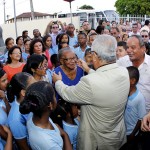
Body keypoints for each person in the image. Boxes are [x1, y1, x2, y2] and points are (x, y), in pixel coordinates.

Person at [53, 35, 130, 150]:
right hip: (117, 136)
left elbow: (67, 94)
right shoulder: (124, 72)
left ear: (94, 55)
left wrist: (58, 82)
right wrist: (88, 70)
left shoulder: (90, 82)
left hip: (97, 142)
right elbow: (104, 81)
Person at [19, 81, 72, 150]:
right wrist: (65, 135)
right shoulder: (48, 143)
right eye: (54, 96)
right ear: (50, 105)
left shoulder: (32, 115)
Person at [117, 35, 150, 113]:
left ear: (143, 48)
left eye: (133, 47)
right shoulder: (122, 62)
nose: (128, 50)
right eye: (127, 47)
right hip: (125, 113)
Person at [7, 72, 35, 150]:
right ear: (23, 92)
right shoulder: (16, 119)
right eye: (33, 86)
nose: (37, 87)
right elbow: (23, 147)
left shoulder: (30, 101)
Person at [122, 66, 146, 150]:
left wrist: (133, 134)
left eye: (124, 78)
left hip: (131, 133)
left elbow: (140, 119)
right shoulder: (123, 93)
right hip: (122, 131)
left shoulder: (139, 98)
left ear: (132, 81)